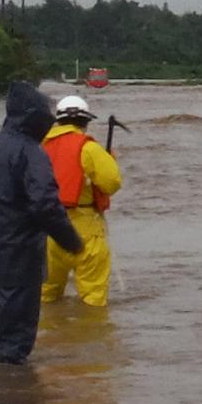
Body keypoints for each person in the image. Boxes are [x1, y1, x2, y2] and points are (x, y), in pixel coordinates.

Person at [0, 79, 86, 366]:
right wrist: (69, 238)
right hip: (21, 259)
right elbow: (44, 203)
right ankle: (16, 402)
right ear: (36, 117)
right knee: (15, 344)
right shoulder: (31, 152)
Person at [40, 94, 124, 306]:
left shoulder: (40, 146)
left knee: (45, 297)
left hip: (47, 230)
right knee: (93, 300)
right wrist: (108, 159)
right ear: (86, 121)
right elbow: (111, 183)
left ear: (57, 120)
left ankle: (48, 336)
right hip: (85, 230)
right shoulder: (89, 148)